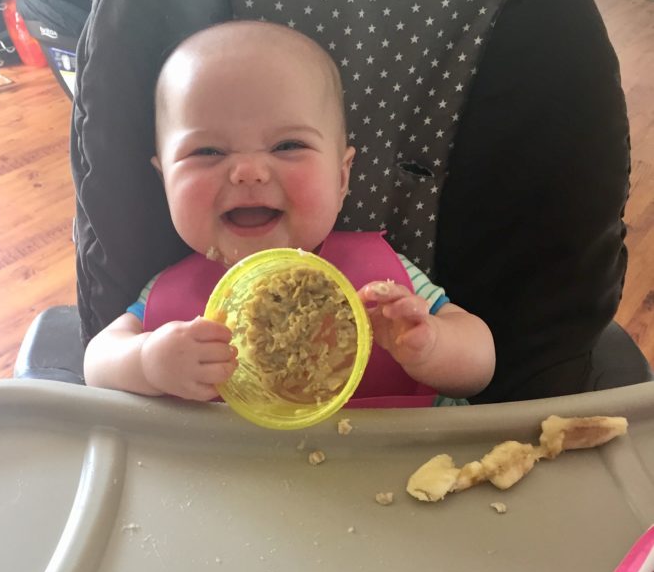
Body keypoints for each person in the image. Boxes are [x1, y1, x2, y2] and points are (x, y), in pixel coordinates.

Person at [83, 21, 495, 405]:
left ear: (341, 177)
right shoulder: (170, 298)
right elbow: (96, 364)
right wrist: (147, 362)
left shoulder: (383, 285)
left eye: (287, 146)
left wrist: (431, 346)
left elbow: (480, 363)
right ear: (165, 182)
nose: (248, 172)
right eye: (207, 152)